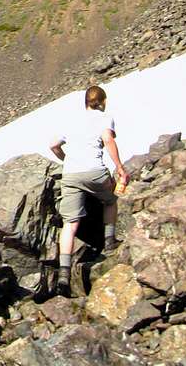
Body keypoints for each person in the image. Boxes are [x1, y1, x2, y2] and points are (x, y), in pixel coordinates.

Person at [48, 84, 129, 296]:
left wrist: (66, 160)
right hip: (94, 171)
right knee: (110, 200)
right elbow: (108, 140)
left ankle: (64, 274)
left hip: (71, 174)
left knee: (70, 223)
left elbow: (53, 145)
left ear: (85, 102)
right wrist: (119, 167)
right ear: (102, 101)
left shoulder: (72, 120)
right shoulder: (104, 118)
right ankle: (110, 241)